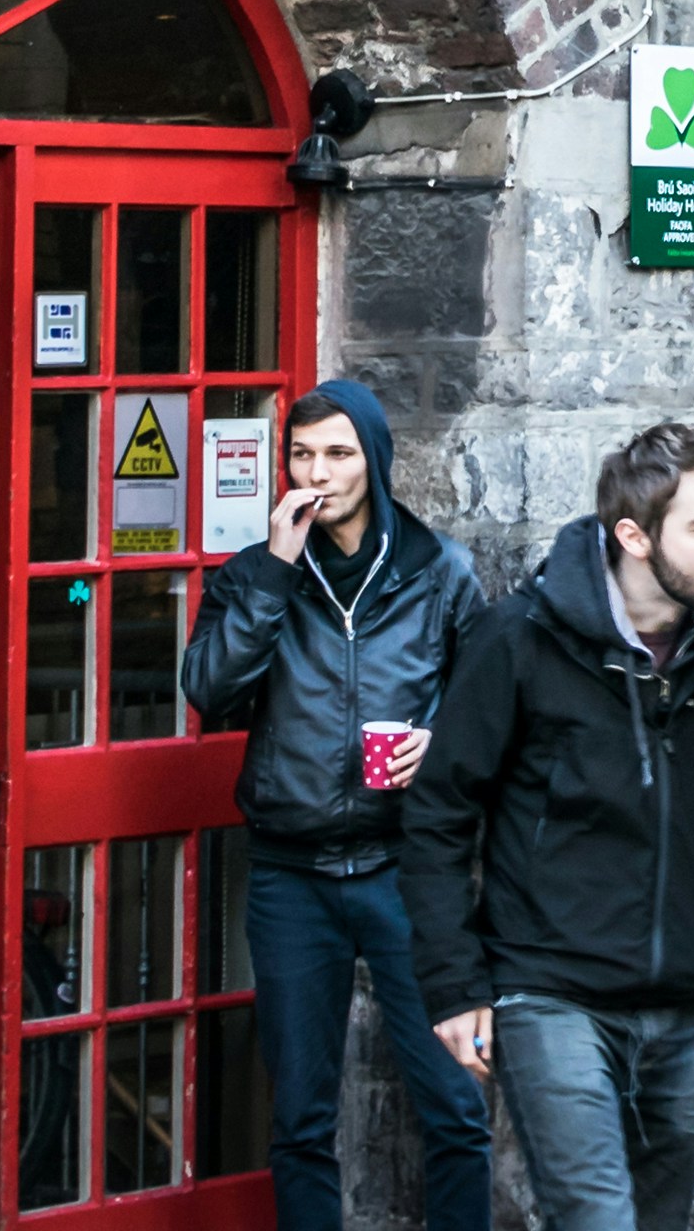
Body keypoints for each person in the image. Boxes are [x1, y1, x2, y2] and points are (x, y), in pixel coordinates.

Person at [402, 421, 694, 1231]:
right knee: (597, 1219)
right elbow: (439, 813)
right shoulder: (521, 638)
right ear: (634, 535)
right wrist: (454, 985)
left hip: (687, 996)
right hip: (552, 991)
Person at [180, 381, 492, 1231]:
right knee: (301, 1121)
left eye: (339, 453)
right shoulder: (253, 575)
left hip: (408, 874)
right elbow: (208, 689)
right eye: (303, 454)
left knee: (456, 1110)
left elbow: (494, 716)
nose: (318, 472)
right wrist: (275, 576)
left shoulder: (442, 574)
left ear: (376, 460)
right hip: (291, 878)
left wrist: (443, 746)